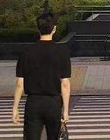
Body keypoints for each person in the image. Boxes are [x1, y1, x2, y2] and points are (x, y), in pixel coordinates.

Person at [12, 12, 71, 140]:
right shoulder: (62, 52)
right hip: (53, 103)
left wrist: (15, 108)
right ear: (54, 29)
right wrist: (66, 110)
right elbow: (65, 83)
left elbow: (19, 83)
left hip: (33, 102)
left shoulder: (27, 52)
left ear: (38, 29)